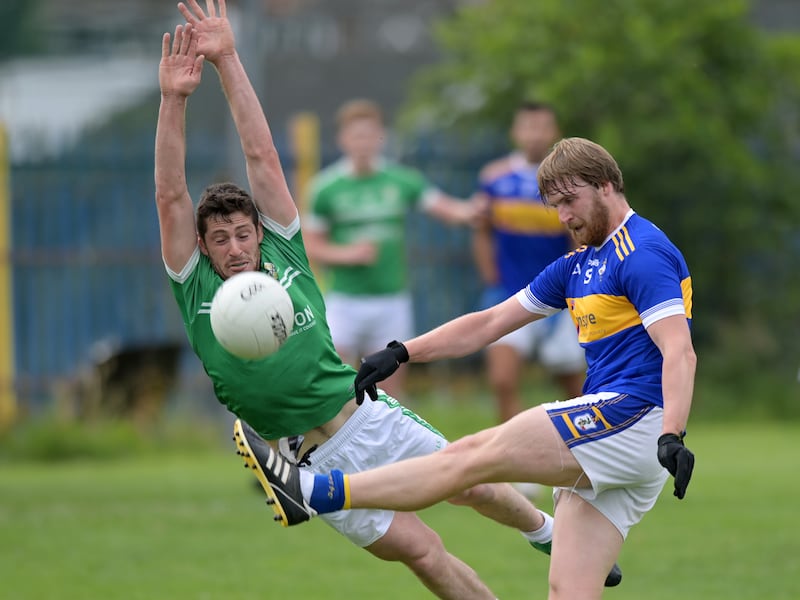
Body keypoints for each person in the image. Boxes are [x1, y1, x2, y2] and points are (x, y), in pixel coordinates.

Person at [154, 2, 620, 597]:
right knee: (424, 553)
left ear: (260, 232)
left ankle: (549, 533)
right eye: (220, 239)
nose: (235, 247)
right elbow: (171, 194)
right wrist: (174, 99)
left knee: (470, 483)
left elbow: (262, 157)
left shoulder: (285, 255)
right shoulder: (195, 285)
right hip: (310, 464)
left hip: (367, 417)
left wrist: (228, 59)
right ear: (202, 246)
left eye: (244, 233)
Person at [234, 137, 695, 599]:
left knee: (471, 456)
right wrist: (402, 351)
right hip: (623, 438)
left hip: (632, 418)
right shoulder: (580, 263)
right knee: (568, 592)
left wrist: (671, 433)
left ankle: (312, 491)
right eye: (555, 206)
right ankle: (314, 491)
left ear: (608, 185)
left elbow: (678, 350)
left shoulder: (643, 253)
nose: (564, 218)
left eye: (570, 201)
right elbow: (490, 322)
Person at [302, 99, 481, 399]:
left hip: (391, 299)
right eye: (356, 135)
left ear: (380, 136)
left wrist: (476, 210)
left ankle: (388, 446)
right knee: (341, 386)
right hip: (344, 300)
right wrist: (349, 254)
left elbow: (447, 208)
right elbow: (311, 247)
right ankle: (346, 445)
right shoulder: (325, 188)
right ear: (343, 139)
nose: (363, 142)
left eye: (369, 135)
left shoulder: (401, 180)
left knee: (388, 392)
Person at [472, 102, 585, 426]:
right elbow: (482, 233)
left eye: (542, 127)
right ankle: (516, 466)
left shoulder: (567, 182)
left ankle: (587, 457)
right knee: (502, 380)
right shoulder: (494, 178)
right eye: (528, 127)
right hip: (508, 293)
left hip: (560, 297)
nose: (535, 135)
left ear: (555, 133)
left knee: (574, 387)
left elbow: (577, 238)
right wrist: (491, 279)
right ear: (515, 132)